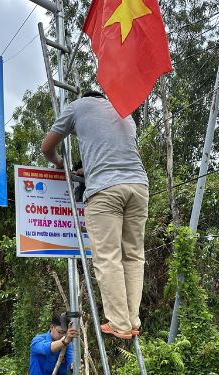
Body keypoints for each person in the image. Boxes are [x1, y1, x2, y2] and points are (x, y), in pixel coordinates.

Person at [41, 90, 149, 340]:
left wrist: (59, 163)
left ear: (86, 97)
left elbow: (46, 147)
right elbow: (113, 152)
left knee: (107, 256)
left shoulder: (77, 106)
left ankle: (119, 324)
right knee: (133, 256)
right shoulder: (124, 110)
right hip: (139, 187)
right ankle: (132, 320)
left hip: (105, 190)